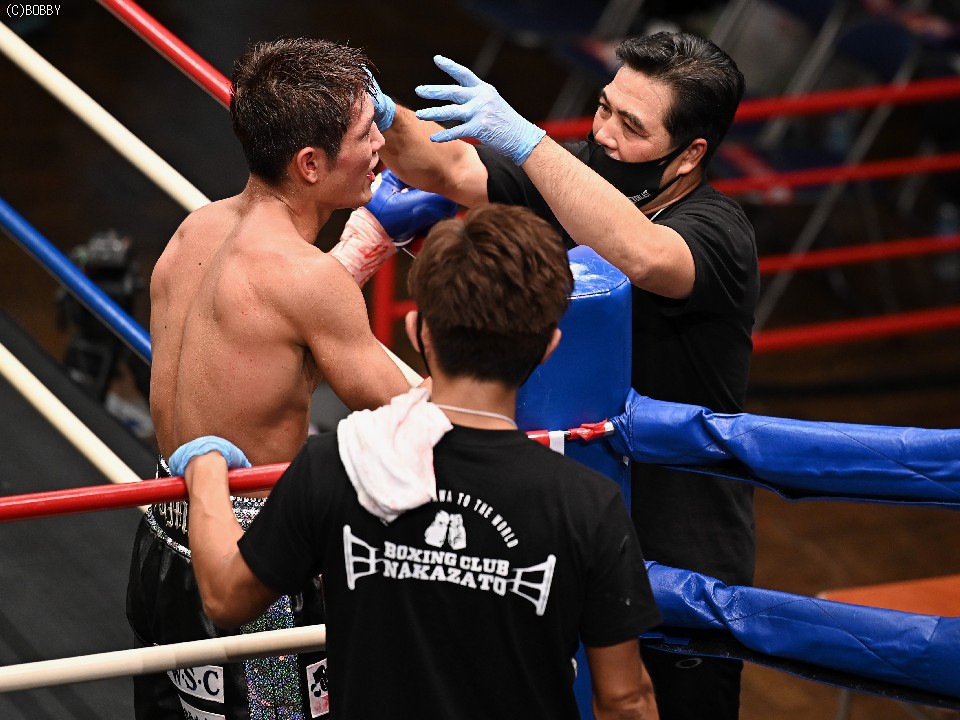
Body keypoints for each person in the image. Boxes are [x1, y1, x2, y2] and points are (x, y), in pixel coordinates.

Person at [367, 31, 758, 720]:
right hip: (563, 526)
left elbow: (643, 254)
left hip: (678, 545)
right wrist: (371, 109)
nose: (604, 133)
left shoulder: (718, 231)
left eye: (632, 126)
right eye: (604, 108)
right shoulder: (577, 176)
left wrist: (529, 142)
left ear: (691, 153)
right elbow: (447, 166)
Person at [173, 202, 662, 720]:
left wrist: (206, 465)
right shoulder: (589, 504)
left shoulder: (337, 462)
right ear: (548, 348)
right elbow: (625, 700)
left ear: (417, 331)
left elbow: (225, 597)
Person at [126, 38, 448, 720]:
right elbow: (421, 420)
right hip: (251, 574)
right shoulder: (307, 280)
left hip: (162, 544)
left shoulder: (194, 231)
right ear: (310, 164)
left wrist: (360, 243)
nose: (381, 146)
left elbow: (267, 344)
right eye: (365, 134)